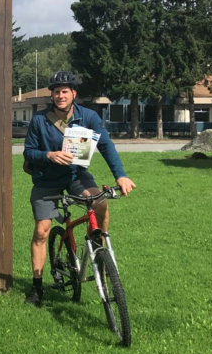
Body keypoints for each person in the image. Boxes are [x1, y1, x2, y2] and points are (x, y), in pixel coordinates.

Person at [23, 71, 136, 306]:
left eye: (65, 91)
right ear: (52, 95)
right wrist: (48, 155)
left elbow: (105, 145)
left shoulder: (89, 117)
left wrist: (121, 176)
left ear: (74, 93)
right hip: (46, 180)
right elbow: (28, 152)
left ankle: (98, 250)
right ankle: (36, 287)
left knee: (100, 203)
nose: (60, 95)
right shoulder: (39, 120)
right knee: (42, 231)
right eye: (56, 91)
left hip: (76, 176)